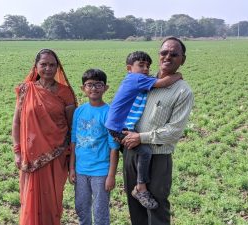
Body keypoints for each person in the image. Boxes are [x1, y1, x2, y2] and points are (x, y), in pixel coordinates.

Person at [122, 37, 194, 225]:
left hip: (157, 156)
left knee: (157, 208)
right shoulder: (143, 81)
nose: (168, 57)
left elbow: (174, 131)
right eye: (164, 52)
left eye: (174, 54)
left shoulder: (182, 91)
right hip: (131, 151)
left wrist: (141, 137)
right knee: (135, 207)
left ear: (182, 60)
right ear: (159, 55)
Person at [105, 51, 182, 209]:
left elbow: (156, 80)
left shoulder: (139, 78)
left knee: (136, 153)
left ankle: (138, 186)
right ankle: (140, 188)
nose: (146, 68)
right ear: (129, 68)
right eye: (141, 65)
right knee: (145, 152)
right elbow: (163, 83)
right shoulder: (135, 78)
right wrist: (178, 75)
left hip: (117, 125)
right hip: (119, 127)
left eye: (148, 66)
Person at [11, 49, 77, 225]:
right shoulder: (26, 90)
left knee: (53, 202)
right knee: (30, 200)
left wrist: (72, 159)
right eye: (44, 64)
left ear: (58, 67)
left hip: (57, 155)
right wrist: (17, 151)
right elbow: (16, 123)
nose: (48, 68)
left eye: (52, 65)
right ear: (36, 66)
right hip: (30, 156)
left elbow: (73, 128)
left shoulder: (65, 92)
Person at [69, 69, 119, 225]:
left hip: (101, 171)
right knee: (81, 208)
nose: (94, 88)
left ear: (106, 88)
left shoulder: (109, 112)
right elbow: (73, 141)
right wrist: (72, 168)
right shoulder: (79, 111)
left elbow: (114, 147)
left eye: (98, 84)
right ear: (83, 88)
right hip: (80, 170)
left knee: (100, 211)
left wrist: (111, 175)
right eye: (89, 85)